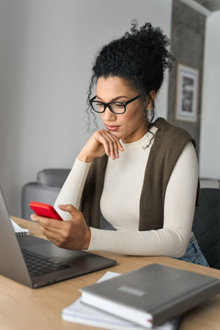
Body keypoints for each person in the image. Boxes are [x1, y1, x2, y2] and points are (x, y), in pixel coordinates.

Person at [31, 21, 208, 266]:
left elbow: (176, 241)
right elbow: (61, 219)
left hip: (181, 268)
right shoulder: (104, 146)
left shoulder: (176, 146)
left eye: (118, 104)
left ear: (148, 100)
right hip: (132, 264)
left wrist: (89, 239)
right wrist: (83, 158)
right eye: (101, 103)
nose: (106, 116)